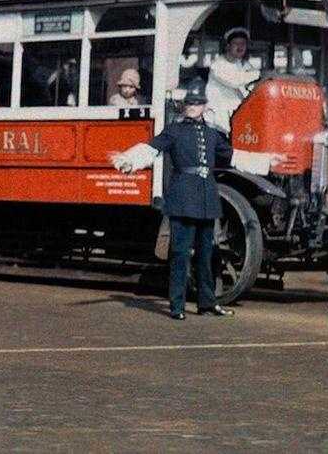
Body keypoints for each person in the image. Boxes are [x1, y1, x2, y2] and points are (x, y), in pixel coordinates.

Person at [110, 78, 287, 319]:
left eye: (197, 103)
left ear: (204, 106)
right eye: (189, 103)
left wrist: (267, 160)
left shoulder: (212, 134)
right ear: (184, 106)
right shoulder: (174, 131)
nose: (192, 107)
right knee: (181, 254)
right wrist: (129, 160)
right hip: (183, 197)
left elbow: (233, 156)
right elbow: (152, 148)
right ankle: (177, 305)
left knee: (207, 255)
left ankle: (207, 303)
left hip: (206, 199)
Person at [206, 27, 258, 134]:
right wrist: (260, 74)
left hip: (236, 120)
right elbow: (234, 80)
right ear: (228, 46)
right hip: (217, 123)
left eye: (243, 44)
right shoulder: (218, 64)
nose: (240, 47)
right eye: (236, 43)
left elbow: (253, 88)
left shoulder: (245, 65)